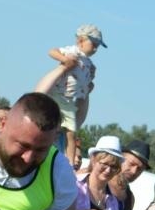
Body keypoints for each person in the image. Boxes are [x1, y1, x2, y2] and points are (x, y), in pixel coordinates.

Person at [34, 24, 106, 166]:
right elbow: (52, 51)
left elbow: (84, 86)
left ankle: (69, 163)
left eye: (98, 46)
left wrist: (87, 87)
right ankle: (68, 162)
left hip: (69, 100)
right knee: (56, 125)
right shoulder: (72, 52)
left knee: (71, 132)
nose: (96, 49)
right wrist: (65, 61)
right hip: (57, 94)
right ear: (80, 41)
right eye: (94, 44)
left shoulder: (89, 64)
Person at [70, 135, 123, 210]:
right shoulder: (74, 185)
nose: (108, 170)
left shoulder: (113, 202)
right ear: (93, 160)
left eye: (114, 166)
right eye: (104, 164)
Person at [110, 139, 150, 210]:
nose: (134, 171)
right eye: (132, 164)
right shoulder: (102, 184)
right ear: (120, 157)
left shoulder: (130, 198)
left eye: (140, 169)